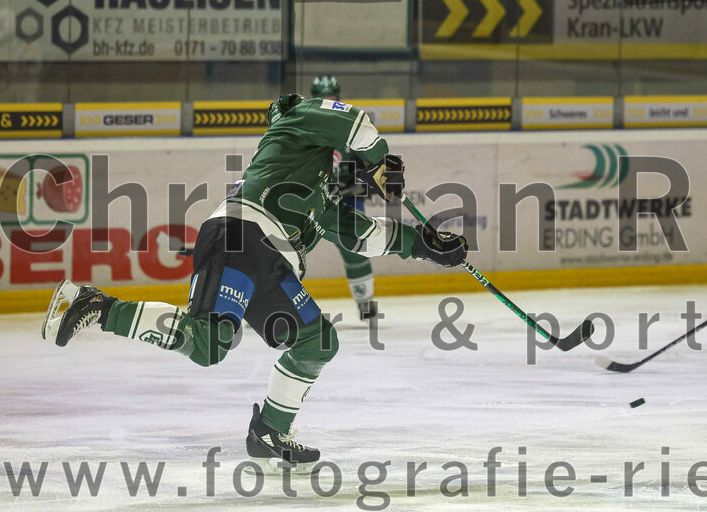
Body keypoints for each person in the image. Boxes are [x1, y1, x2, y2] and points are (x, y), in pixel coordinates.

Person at [42, 92, 468, 471]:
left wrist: (425, 244)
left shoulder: (317, 188)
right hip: (241, 237)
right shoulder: (297, 116)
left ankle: (269, 430)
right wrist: (380, 159)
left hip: (271, 259)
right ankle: (96, 305)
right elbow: (354, 121)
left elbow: (362, 235)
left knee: (315, 341)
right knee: (208, 342)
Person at [309, 75, 379, 321]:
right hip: (310, 199)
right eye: (324, 98)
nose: (329, 102)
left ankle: (365, 302)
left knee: (356, 247)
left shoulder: (351, 124)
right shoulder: (302, 125)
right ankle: (266, 303)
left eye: (332, 97)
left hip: (344, 200)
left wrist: (360, 185)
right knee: (287, 247)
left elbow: (368, 167)